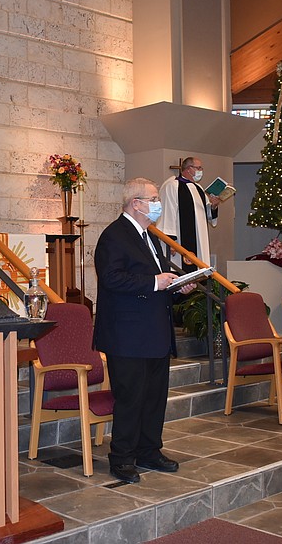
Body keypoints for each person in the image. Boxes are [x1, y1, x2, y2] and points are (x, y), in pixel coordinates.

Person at [93, 177, 197, 483]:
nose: (157, 205)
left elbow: (157, 274)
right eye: (153, 199)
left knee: (154, 396)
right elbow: (112, 278)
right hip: (127, 334)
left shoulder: (147, 235)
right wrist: (156, 282)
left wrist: (179, 284)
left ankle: (149, 450)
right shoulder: (114, 235)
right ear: (136, 203)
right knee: (131, 398)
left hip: (153, 332)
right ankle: (122, 457)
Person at [156, 157, 221, 270]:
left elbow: (207, 215)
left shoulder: (199, 188)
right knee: (181, 270)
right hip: (179, 241)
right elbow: (167, 213)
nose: (200, 171)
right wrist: (170, 241)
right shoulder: (173, 186)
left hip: (198, 239)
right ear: (188, 169)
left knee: (198, 269)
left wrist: (214, 206)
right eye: (198, 168)